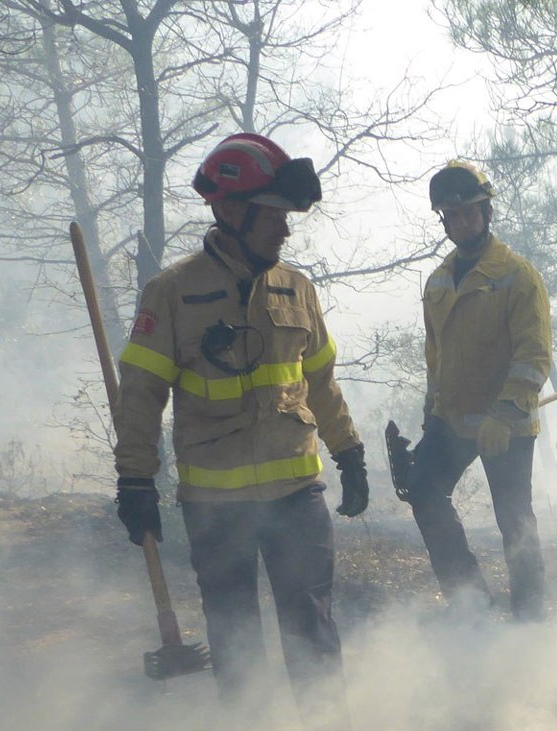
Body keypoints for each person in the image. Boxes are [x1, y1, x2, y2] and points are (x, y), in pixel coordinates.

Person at [111, 131, 368, 701]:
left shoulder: (297, 289)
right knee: (236, 639)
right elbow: (140, 394)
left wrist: (349, 452)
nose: (284, 228)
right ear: (229, 210)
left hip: (296, 495)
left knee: (313, 633)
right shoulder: (172, 292)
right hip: (215, 505)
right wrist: (135, 478)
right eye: (272, 215)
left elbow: (320, 380)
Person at [407, 160, 551, 619]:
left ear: (487, 212)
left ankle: (529, 619)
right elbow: (437, 357)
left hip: (505, 427)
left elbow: (533, 355)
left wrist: (505, 412)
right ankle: (471, 603)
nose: (461, 222)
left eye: (469, 212)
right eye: (452, 215)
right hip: (451, 422)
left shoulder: (517, 276)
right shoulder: (438, 283)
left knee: (515, 523)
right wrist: (432, 414)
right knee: (423, 492)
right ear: (443, 220)